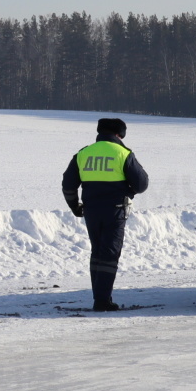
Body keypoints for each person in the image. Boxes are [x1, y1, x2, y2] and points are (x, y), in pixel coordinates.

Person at [62, 117, 151, 312]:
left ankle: (100, 297)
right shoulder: (123, 153)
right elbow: (142, 184)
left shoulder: (84, 153)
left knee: (97, 253)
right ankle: (102, 301)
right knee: (109, 254)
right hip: (115, 209)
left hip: (91, 211)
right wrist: (129, 189)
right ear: (120, 134)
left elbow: (68, 184)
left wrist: (75, 206)